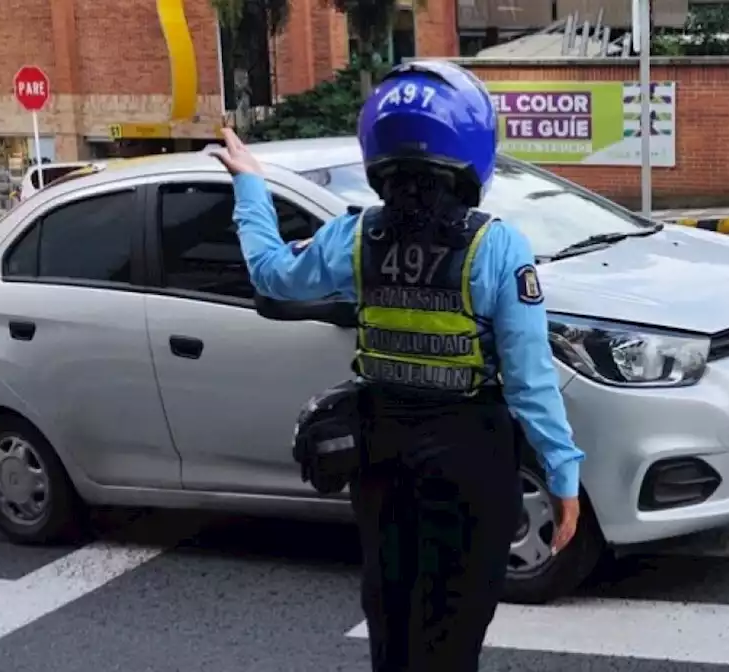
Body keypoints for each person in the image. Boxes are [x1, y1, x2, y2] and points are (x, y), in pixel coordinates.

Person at [211, 60, 585, 671]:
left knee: (392, 623)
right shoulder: (496, 248)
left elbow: (273, 273)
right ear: (472, 149)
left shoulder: (353, 238)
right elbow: (529, 380)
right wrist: (563, 475)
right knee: (453, 636)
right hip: (470, 464)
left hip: (381, 462)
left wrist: (251, 186)